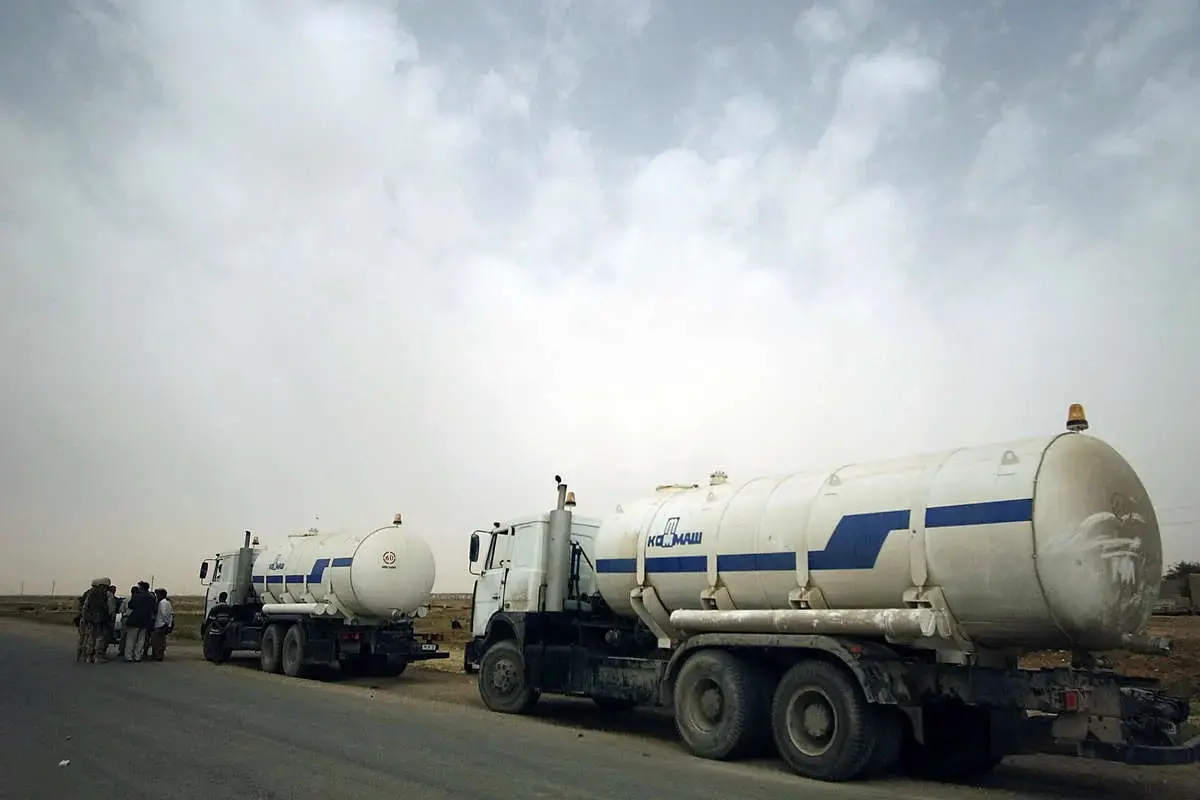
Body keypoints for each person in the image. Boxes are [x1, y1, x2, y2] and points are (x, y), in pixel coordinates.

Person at [77, 578, 112, 664]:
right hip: (101, 620)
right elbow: (110, 608)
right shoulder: (106, 594)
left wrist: (85, 617)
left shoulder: (90, 593)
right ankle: (97, 656)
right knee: (100, 638)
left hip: (90, 619)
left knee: (90, 638)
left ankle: (87, 656)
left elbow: (85, 607)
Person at [123, 584, 156, 662]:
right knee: (141, 639)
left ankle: (129, 656)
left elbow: (130, 605)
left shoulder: (137, 596)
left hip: (135, 619)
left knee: (131, 639)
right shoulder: (151, 597)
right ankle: (138, 656)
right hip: (146, 620)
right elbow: (153, 608)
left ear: (141, 588)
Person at [150, 588, 174, 661]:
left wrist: (165, 622)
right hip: (164, 624)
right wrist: (169, 624)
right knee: (161, 641)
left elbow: (164, 614)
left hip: (160, 624)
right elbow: (171, 614)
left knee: (156, 641)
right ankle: (159, 655)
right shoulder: (168, 602)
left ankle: (157, 655)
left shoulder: (162, 603)